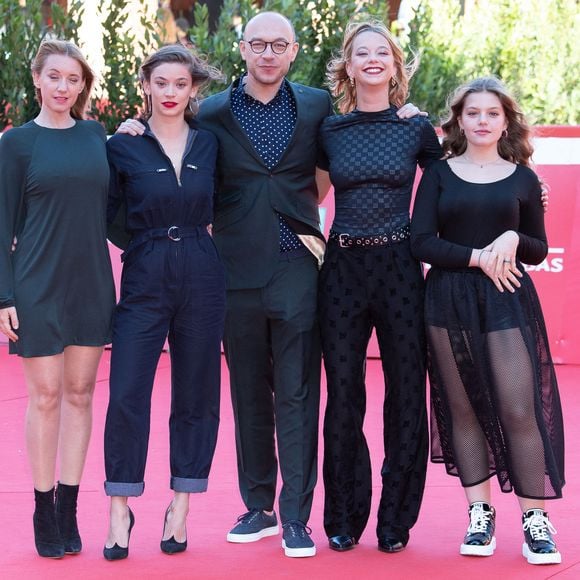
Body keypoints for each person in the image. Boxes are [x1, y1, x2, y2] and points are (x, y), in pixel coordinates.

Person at [410, 76, 565, 565]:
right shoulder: (438, 172)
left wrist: (514, 241)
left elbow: (537, 249)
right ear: (458, 119)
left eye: (491, 113)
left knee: (519, 410)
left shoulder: (523, 178)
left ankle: (535, 520)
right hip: (448, 297)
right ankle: (480, 516)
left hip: (506, 298)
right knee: (464, 411)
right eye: (472, 113)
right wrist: (479, 255)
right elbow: (422, 242)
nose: (481, 121)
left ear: (505, 121)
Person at [317, 20, 442, 554]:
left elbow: (457, 183)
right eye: (361, 53)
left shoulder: (417, 128)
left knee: (406, 395)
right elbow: (303, 194)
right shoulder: (329, 130)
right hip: (341, 269)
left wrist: (526, 193)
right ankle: (343, 515)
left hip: (399, 267)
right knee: (344, 396)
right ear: (347, 65)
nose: (371, 60)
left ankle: (395, 520)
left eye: (381, 53)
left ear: (395, 64)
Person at [102, 44, 226, 560]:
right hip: (145, 273)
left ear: (192, 88)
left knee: (196, 394)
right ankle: (120, 507)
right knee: (128, 392)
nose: (171, 93)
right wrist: (143, 246)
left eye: (181, 84)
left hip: (202, 268)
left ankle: (181, 503)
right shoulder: (122, 145)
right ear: (145, 85)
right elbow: (109, 213)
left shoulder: (210, 144)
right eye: (162, 83)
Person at [0, 40, 115, 558]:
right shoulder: (16, 143)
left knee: (81, 394)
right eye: (55, 77)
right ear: (38, 80)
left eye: (73, 79)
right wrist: (4, 295)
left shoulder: (97, 136)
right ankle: (42, 508)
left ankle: (69, 508)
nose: (64, 87)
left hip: (91, 281)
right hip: (36, 285)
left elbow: (117, 208)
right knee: (45, 397)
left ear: (82, 85)